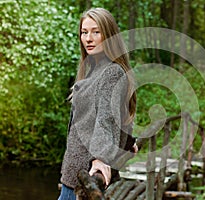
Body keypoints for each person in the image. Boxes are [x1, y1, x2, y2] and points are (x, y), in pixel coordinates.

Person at [58, 8, 138, 200]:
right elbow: (116, 113)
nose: (88, 38)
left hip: (81, 181)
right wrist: (128, 142)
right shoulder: (93, 69)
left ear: (109, 35)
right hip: (73, 177)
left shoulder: (111, 72)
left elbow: (106, 117)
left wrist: (100, 158)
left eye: (96, 32)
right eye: (84, 32)